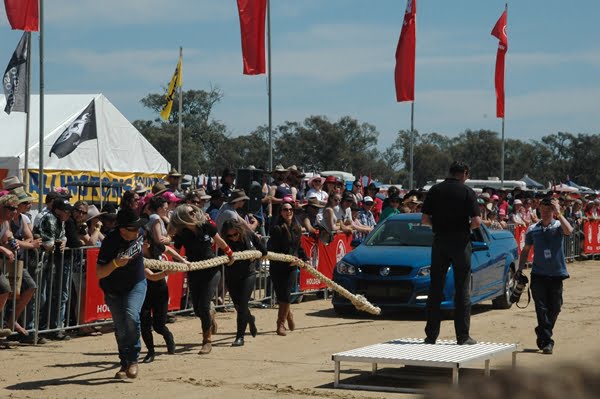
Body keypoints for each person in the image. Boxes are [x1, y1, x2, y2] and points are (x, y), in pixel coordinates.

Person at [421, 161, 481, 345]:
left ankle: (431, 335)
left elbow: (424, 219)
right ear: (463, 173)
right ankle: (462, 336)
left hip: (440, 241)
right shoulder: (467, 192)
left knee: (435, 288)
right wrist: (465, 230)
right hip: (461, 242)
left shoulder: (435, 190)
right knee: (462, 288)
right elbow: (477, 221)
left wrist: (438, 227)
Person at [169, 204, 234, 355]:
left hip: (211, 270)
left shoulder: (206, 226)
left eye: (193, 212)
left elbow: (220, 242)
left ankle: (207, 341)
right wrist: (178, 261)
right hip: (194, 271)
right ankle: (210, 318)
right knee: (197, 308)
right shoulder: (182, 234)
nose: (194, 214)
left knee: (204, 305)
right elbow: (175, 252)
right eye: (190, 212)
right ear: (183, 217)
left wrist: (230, 255)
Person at [96, 208, 147, 379]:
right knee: (120, 326)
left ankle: (133, 359)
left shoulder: (140, 233)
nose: (138, 230)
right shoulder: (110, 241)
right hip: (113, 288)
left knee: (132, 316)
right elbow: (99, 272)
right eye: (134, 228)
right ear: (123, 229)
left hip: (136, 283)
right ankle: (124, 361)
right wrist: (116, 264)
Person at [518, 197, 573, 355]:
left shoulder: (558, 225)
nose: (546, 212)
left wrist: (559, 212)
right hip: (538, 274)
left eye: (549, 209)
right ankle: (547, 341)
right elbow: (526, 250)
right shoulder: (533, 229)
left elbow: (569, 230)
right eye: (544, 209)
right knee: (541, 308)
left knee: (555, 307)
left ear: (553, 211)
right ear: (539, 210)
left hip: (556, 274)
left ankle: (542, 330)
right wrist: (520, 269)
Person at [140, 195, 182, 363]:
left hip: (160, 291)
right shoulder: (139, 258)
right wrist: (167, 273)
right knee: (144, 323)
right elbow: (150, 275)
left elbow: (169, 251)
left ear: (148, 243)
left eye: (142, 242)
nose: (139, 244)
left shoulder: (156, 248)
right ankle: (150, 352)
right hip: (145, 290)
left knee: (158, 325)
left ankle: (168, 337)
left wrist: (182, 261)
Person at [221, 219, 267, 346]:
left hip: (248, 274)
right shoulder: (224, 241)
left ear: (239, 231)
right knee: (238, 306)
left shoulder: (248, 234)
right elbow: (220, 257)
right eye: (230, 235)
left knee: (242, 305)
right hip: (232, 276)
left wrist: (254, 255)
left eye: (235, 234)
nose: (233, 238)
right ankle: (250, 319)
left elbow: (263, 250)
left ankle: (239, 337)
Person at [267, 201, 307, 336]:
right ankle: (288, 314)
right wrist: (287, 258)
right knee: (281, 295)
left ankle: (280, 324)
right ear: (281, 212)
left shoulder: (297, 227)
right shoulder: (276, 229)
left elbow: (298, 247)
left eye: (290, 209)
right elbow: (271, 248)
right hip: (278, 266)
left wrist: (304, 259)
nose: (288, 212)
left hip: (292, 267)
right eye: (285, 209)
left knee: (286, 294)